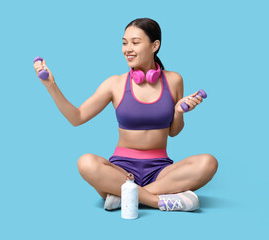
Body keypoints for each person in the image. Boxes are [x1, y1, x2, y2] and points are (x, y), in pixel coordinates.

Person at [33, 18, 218, 212]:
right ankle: (157, 201)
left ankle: (125, 196)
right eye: (124, 42)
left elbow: (173, 132)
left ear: (155, 45)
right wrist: (51, 86)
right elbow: (76, 117)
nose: (127, 49)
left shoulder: (174, 80)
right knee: (86, 162)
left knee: (208, 162)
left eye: (135, 42)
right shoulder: (115, 83)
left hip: (161, 171)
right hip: (121, 171)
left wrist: (179, 112)